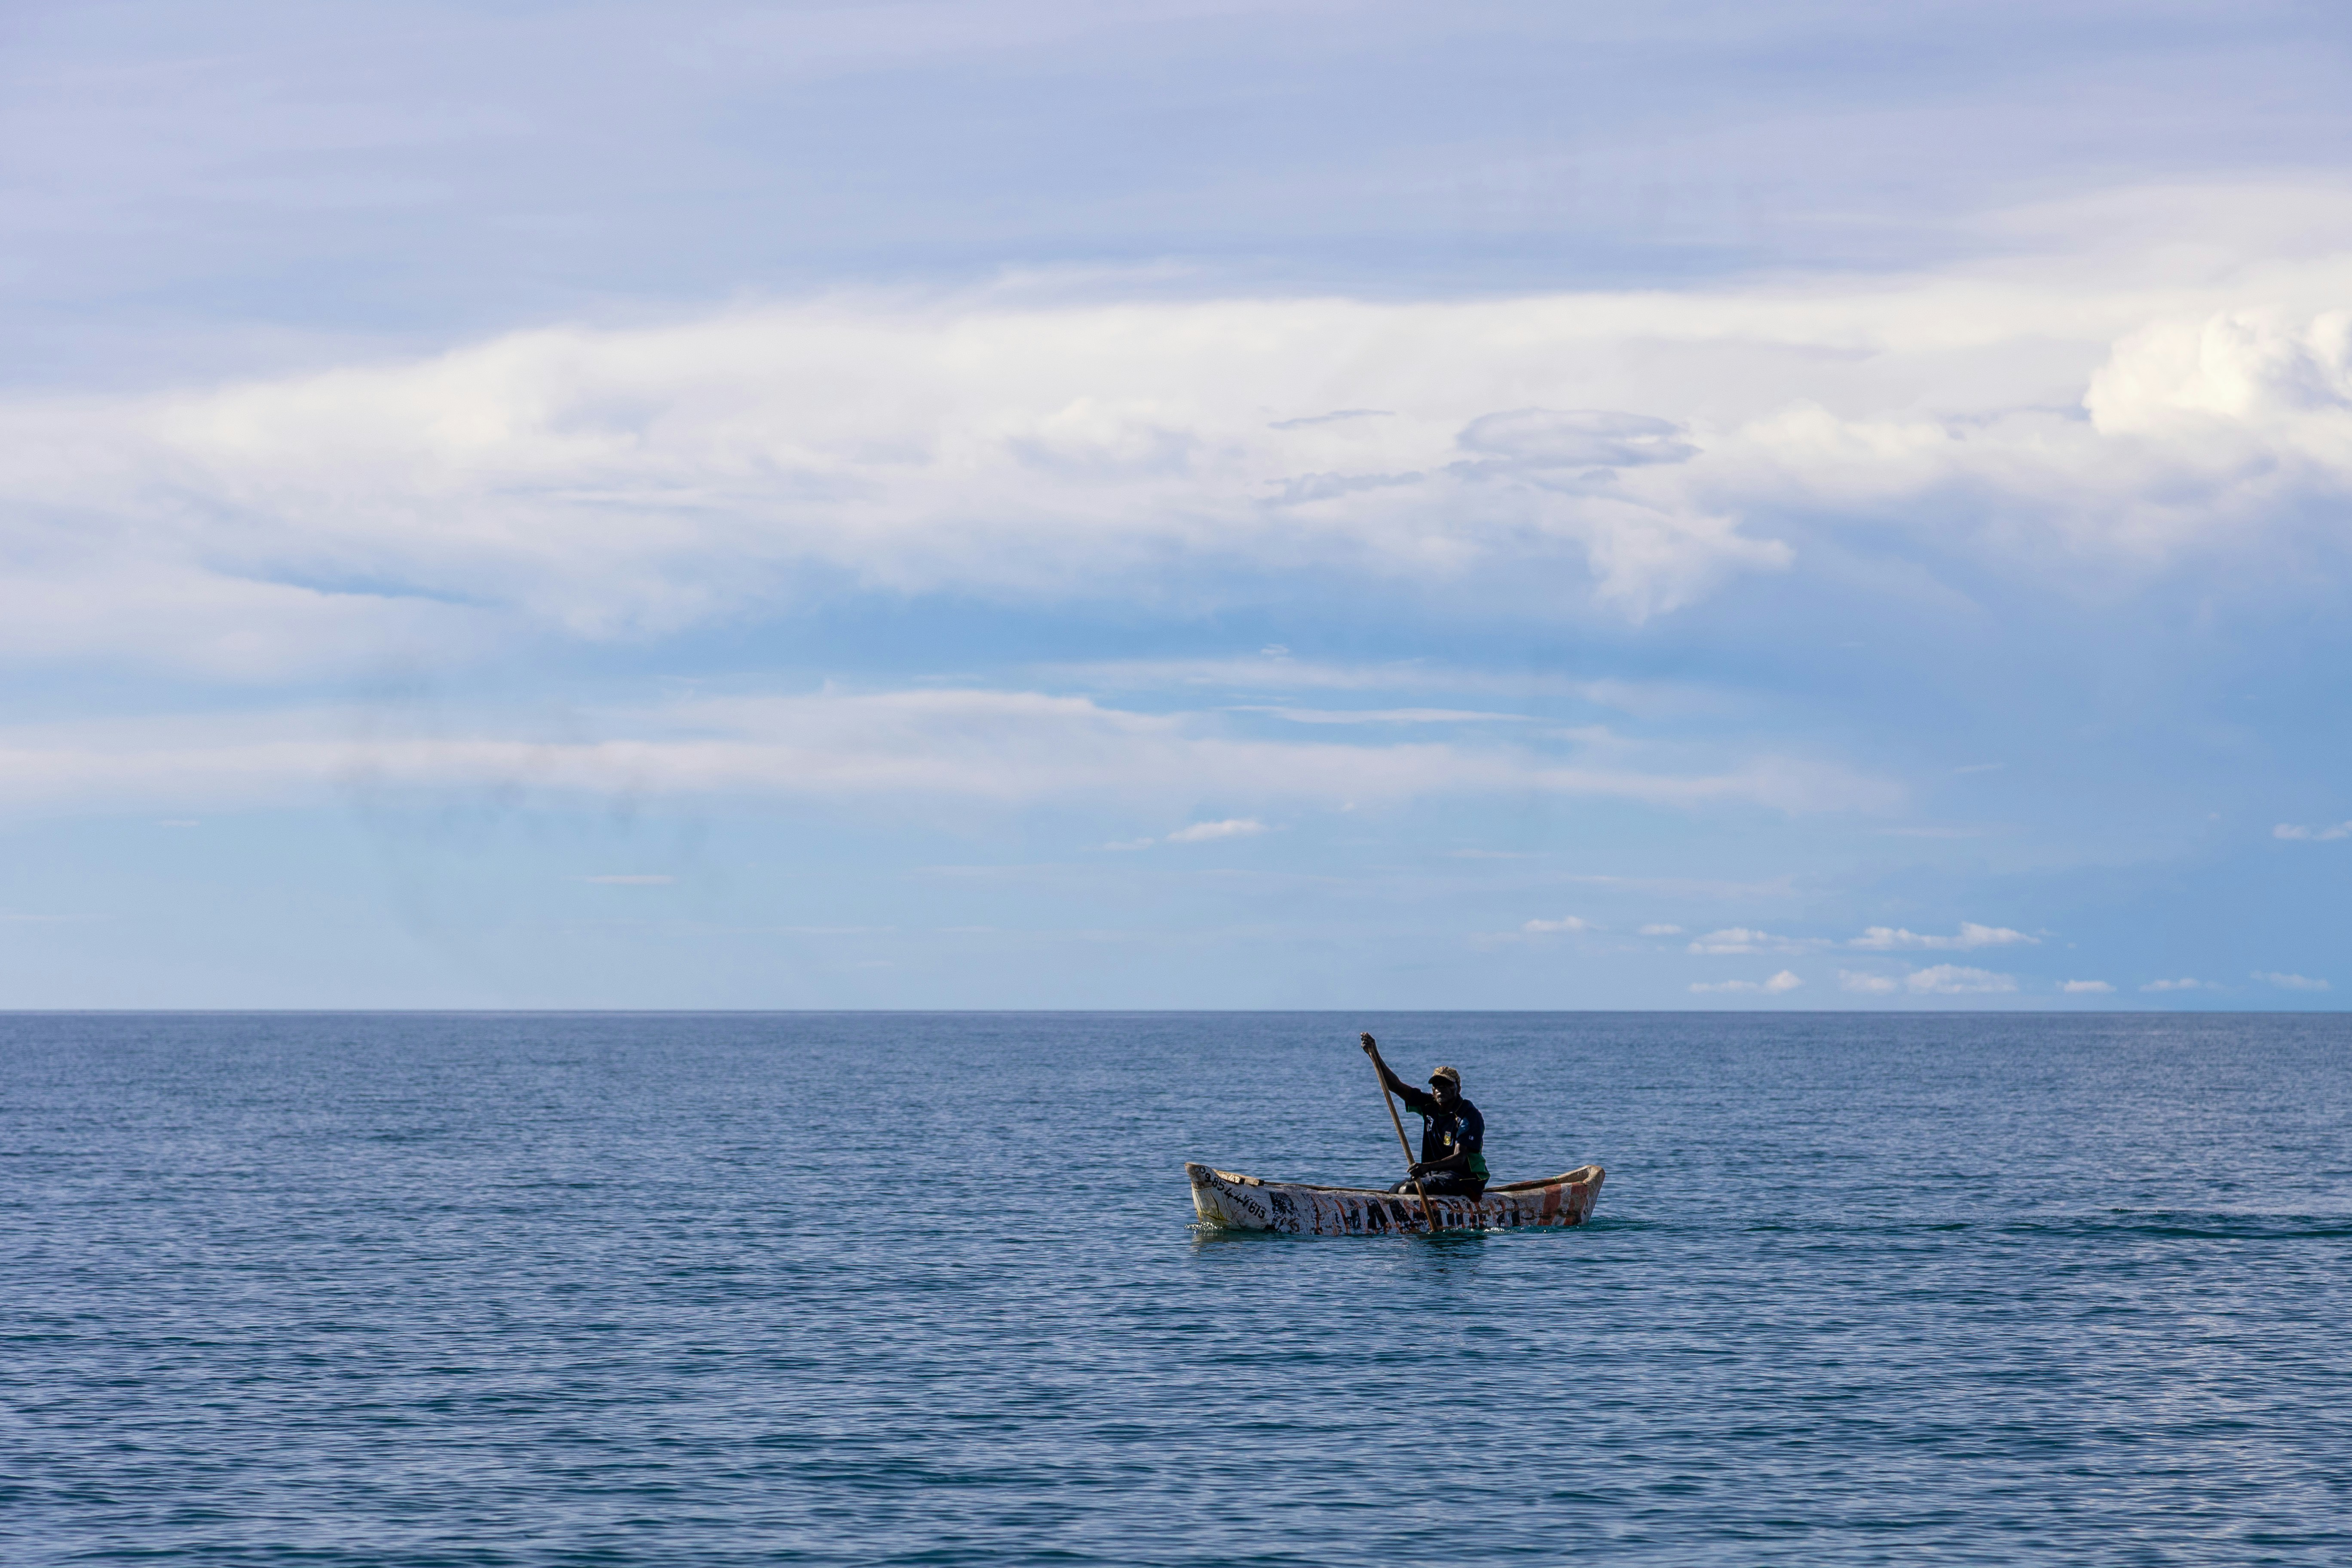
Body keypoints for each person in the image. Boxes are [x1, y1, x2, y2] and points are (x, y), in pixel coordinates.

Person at [1360, 1032, 1488, 1198]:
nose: (1440, 1088)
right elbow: (1396, 1086)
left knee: (1408, 1191)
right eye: (1436, 1085)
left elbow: (1460, 1158)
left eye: (1447, 1084)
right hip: (1435, 1174)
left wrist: (1426, 1167)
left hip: (1465, 1178)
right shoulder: (1429, 1105)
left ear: (1458, 1088)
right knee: (1394, 1191)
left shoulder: (1468, 1115)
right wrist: (1374, 1055)